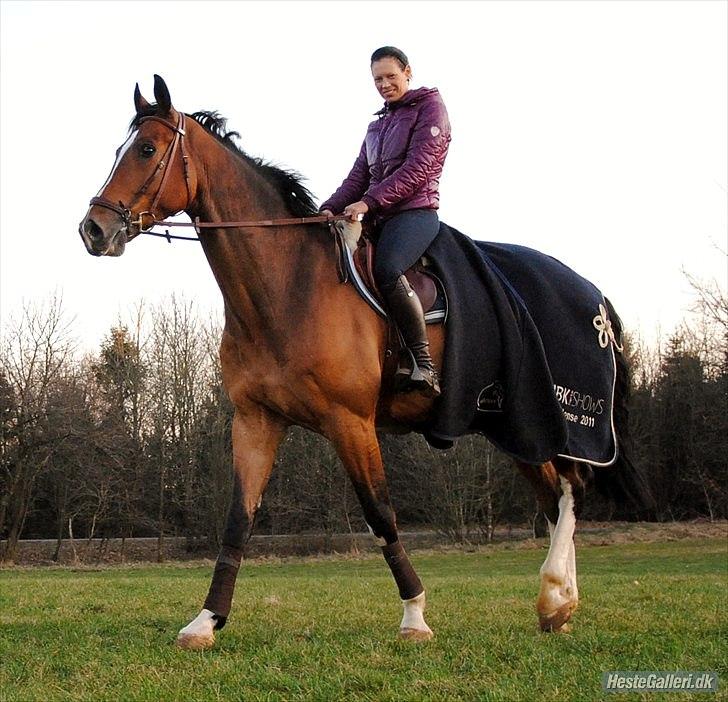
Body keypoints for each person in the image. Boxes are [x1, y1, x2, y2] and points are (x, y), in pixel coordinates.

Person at [320, 46, 451, 398]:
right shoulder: (376, 127)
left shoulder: (430, 109)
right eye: (377, 79)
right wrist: (328, 208)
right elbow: (357, 177)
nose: (384, 84)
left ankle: (424, 364)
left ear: (408, 72)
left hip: (415, 213)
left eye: (391, 76)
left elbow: (418, 169)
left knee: (388, 268)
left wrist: (369, 202)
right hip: (379, 215)